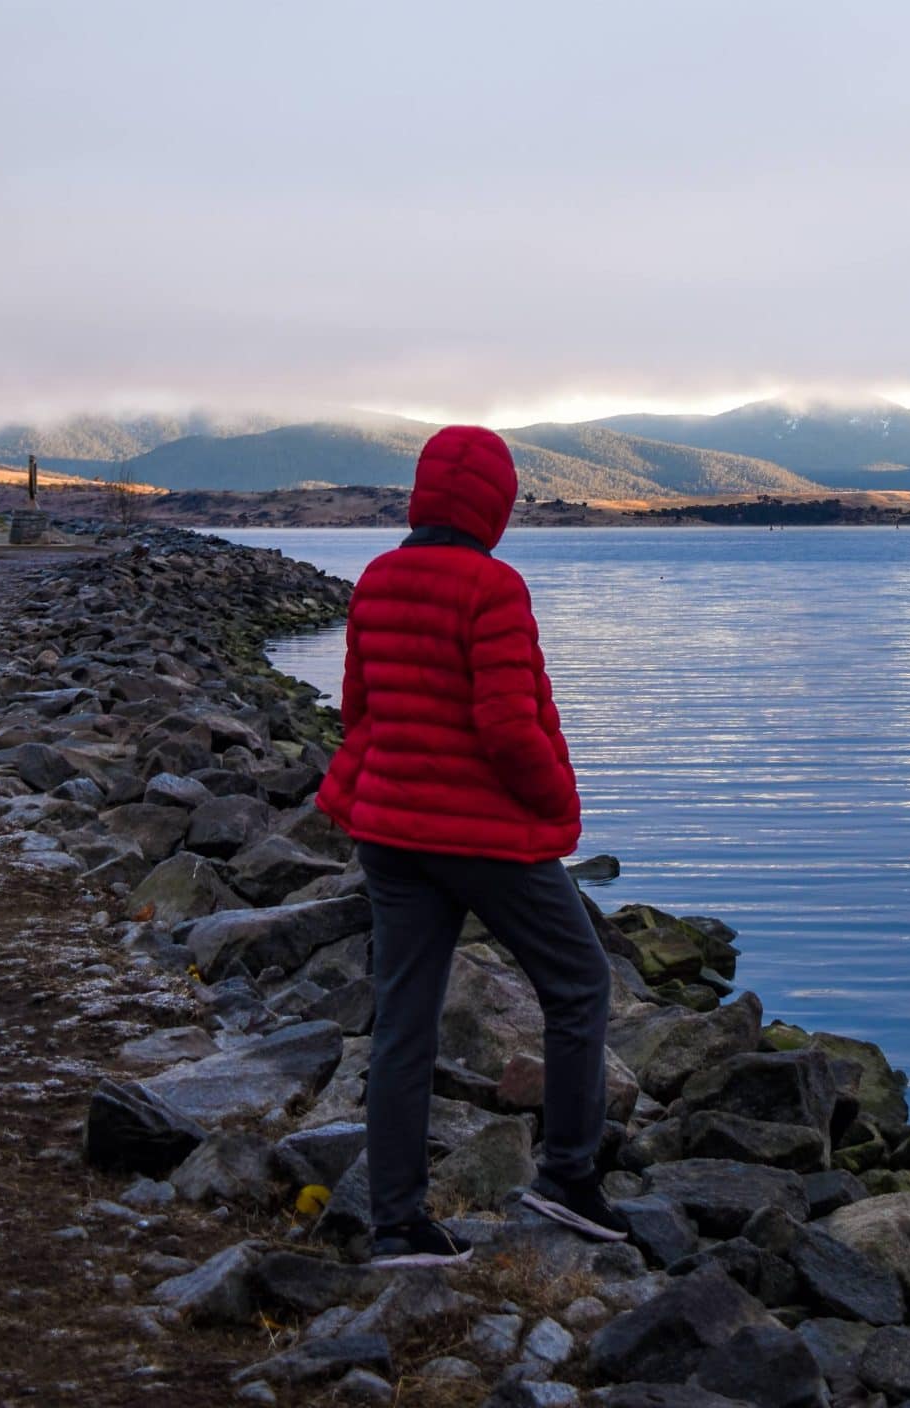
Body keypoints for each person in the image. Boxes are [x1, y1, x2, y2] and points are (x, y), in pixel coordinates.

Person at [316, 423, 627, 1263]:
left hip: (389, 828)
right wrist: (558, 801)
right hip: (482, 836)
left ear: (423, 493)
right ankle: (566, 1176)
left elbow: (359, 709)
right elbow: (506, 725)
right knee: (579, 983)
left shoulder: (377, 579)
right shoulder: (493, 588)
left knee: (403, 1025)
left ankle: (397, 1224)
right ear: (495, 503)